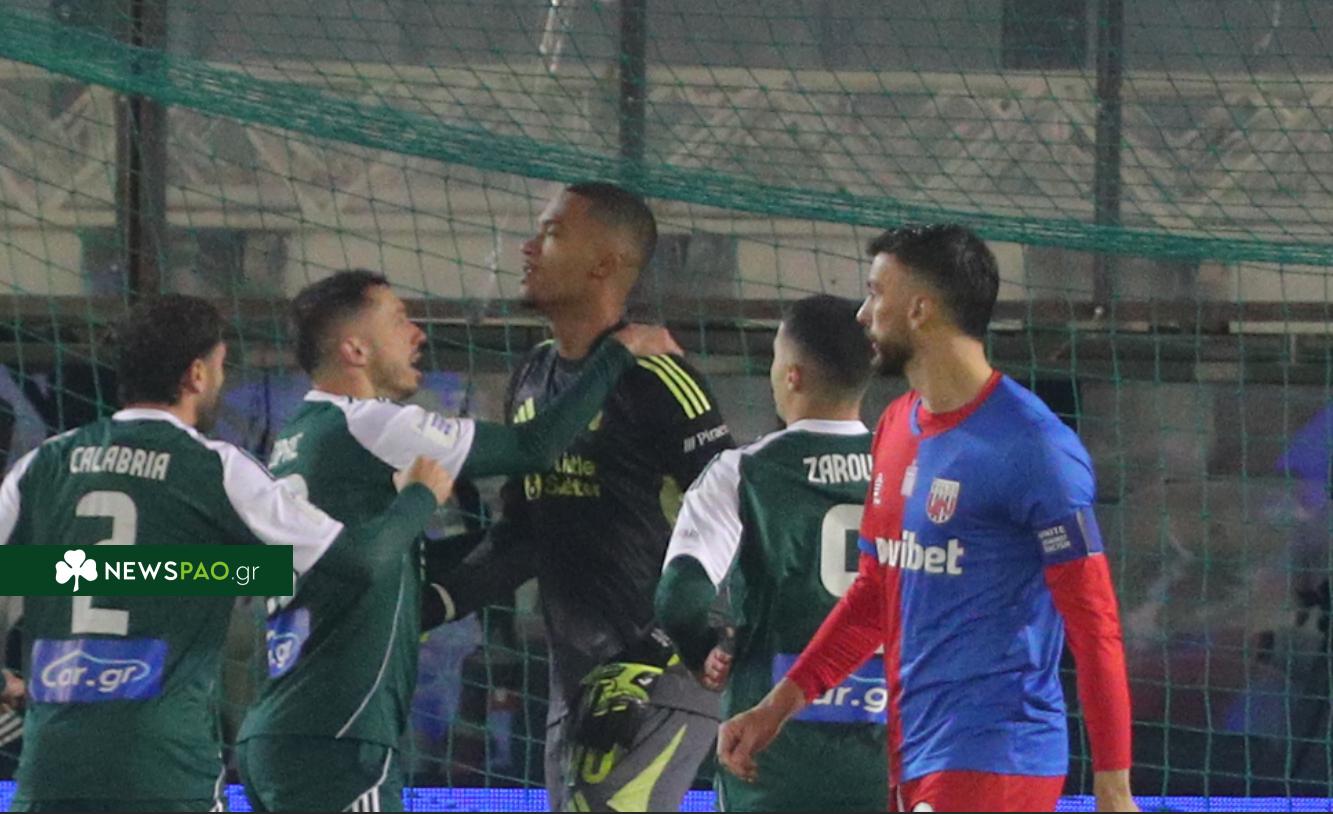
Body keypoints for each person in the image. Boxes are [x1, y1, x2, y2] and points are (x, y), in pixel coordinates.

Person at [717, 225, 1138, 813]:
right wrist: (777, 707)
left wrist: (1113, 785)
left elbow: (1094, 623)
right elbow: (874, 595)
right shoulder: (896, 426)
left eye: (875, 293)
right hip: (913, 753)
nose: (863, 314)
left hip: (997, 755)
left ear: (920, 309)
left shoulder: (1034, 447)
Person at [236, 269, 680, 812]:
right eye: (400, 320)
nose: (418, 333)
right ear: (355, 349)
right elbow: (534, 446)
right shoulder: (371, 425)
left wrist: (529, 544)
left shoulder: (299, 436)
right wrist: (619, 353)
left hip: (280, 731)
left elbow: (386, 567)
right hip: (340, 738)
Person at [0, 295, 453, 812]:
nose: (222, 379)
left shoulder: (42, 464)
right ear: (196, 374)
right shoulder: (215, 467)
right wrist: (420, 496)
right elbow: (358, 562)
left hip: (51, 777)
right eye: (220, 366)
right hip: (167, 774)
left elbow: (160, 572)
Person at [428, 181, 736, 811]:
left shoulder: (659, 378)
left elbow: (739, 519)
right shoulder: (533, 374)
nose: (527, 247)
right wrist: (434, 601)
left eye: (551, 233)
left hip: (657, 672)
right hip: (574, 680)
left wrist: (656, 652)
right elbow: (524, 535)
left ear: (604, 263)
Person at [654, 294, 886, 811]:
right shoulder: (906, 467)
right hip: (889, 755)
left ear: (793, 375)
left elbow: (678, 598)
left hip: (770, 759)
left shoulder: (740, 472)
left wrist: (702, 650)